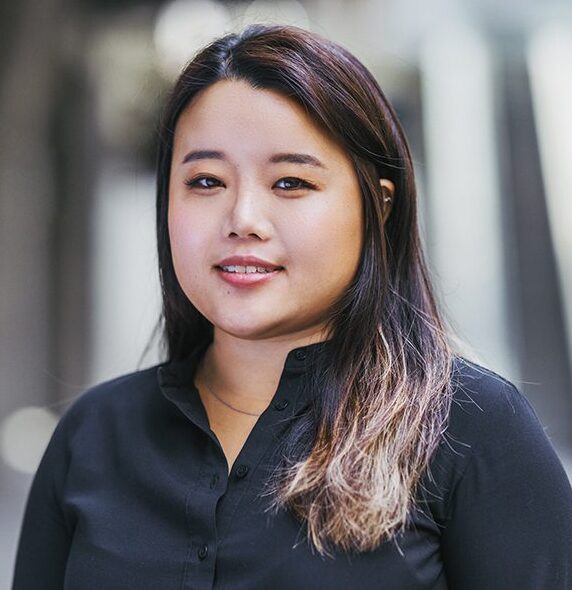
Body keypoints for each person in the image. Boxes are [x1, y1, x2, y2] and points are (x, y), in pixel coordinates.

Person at [12, 23, 572, 590]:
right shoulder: (94, 435)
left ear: (377, 207)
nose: (242, 220)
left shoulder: (468, 429)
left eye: (290, 183)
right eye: (205, 181)